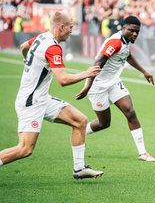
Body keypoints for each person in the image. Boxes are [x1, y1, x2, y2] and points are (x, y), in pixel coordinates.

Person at [0, 12, 104, 180]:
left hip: (40, 98)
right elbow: (62, 80)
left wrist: (27, 60)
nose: (71, 31)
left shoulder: (43, 37)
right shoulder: (53, 47)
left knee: (80, 121)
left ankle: (79, 169)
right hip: (31, 102)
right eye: (70, 27)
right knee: (25, 149)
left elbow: (23, 47)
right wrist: (87, 73)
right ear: (61, 27)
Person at [76, 16, 155, 161]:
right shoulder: (115, 42)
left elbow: (127, 55)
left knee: (130, 112)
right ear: (123, 28)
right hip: (98, 86)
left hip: (113, 83)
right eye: (132, 31)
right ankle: (79, 132)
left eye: (137, 31)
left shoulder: (126, 41)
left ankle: (142, 153)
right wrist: (88, 86)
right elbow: (97, 63)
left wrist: (144, 71)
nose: (135, 34)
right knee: (104, 123)